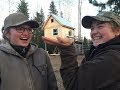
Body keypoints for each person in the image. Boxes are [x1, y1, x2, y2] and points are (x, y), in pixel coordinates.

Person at [42, 11, 120, 90]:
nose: (94, 32)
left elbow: (73, 85)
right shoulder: (97, 52)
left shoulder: (112, 58)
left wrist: (67, 49)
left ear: (117, 31)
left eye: (100, 26)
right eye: (92, 28)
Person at [0, 12, 58, 90]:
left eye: (29, 29)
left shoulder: (42, 54)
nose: (26, 33)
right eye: (20, 29)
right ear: (7, 33)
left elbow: (52, 86)